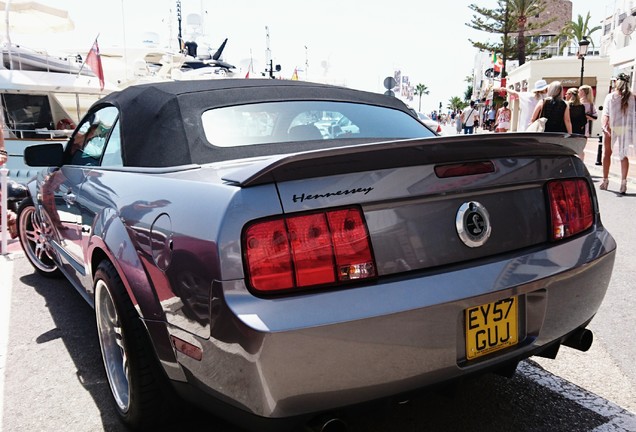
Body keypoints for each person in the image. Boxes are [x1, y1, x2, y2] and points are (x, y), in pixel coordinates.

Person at [601, 73, 635, 194]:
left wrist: (604, 127)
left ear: (616, 82)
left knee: (607, 154)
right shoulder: (633, 97)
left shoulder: (610, 97)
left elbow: (606, 114)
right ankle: (623, 183)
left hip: (612, 127)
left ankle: (605, 181)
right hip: (625, 128)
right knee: (623, 155)